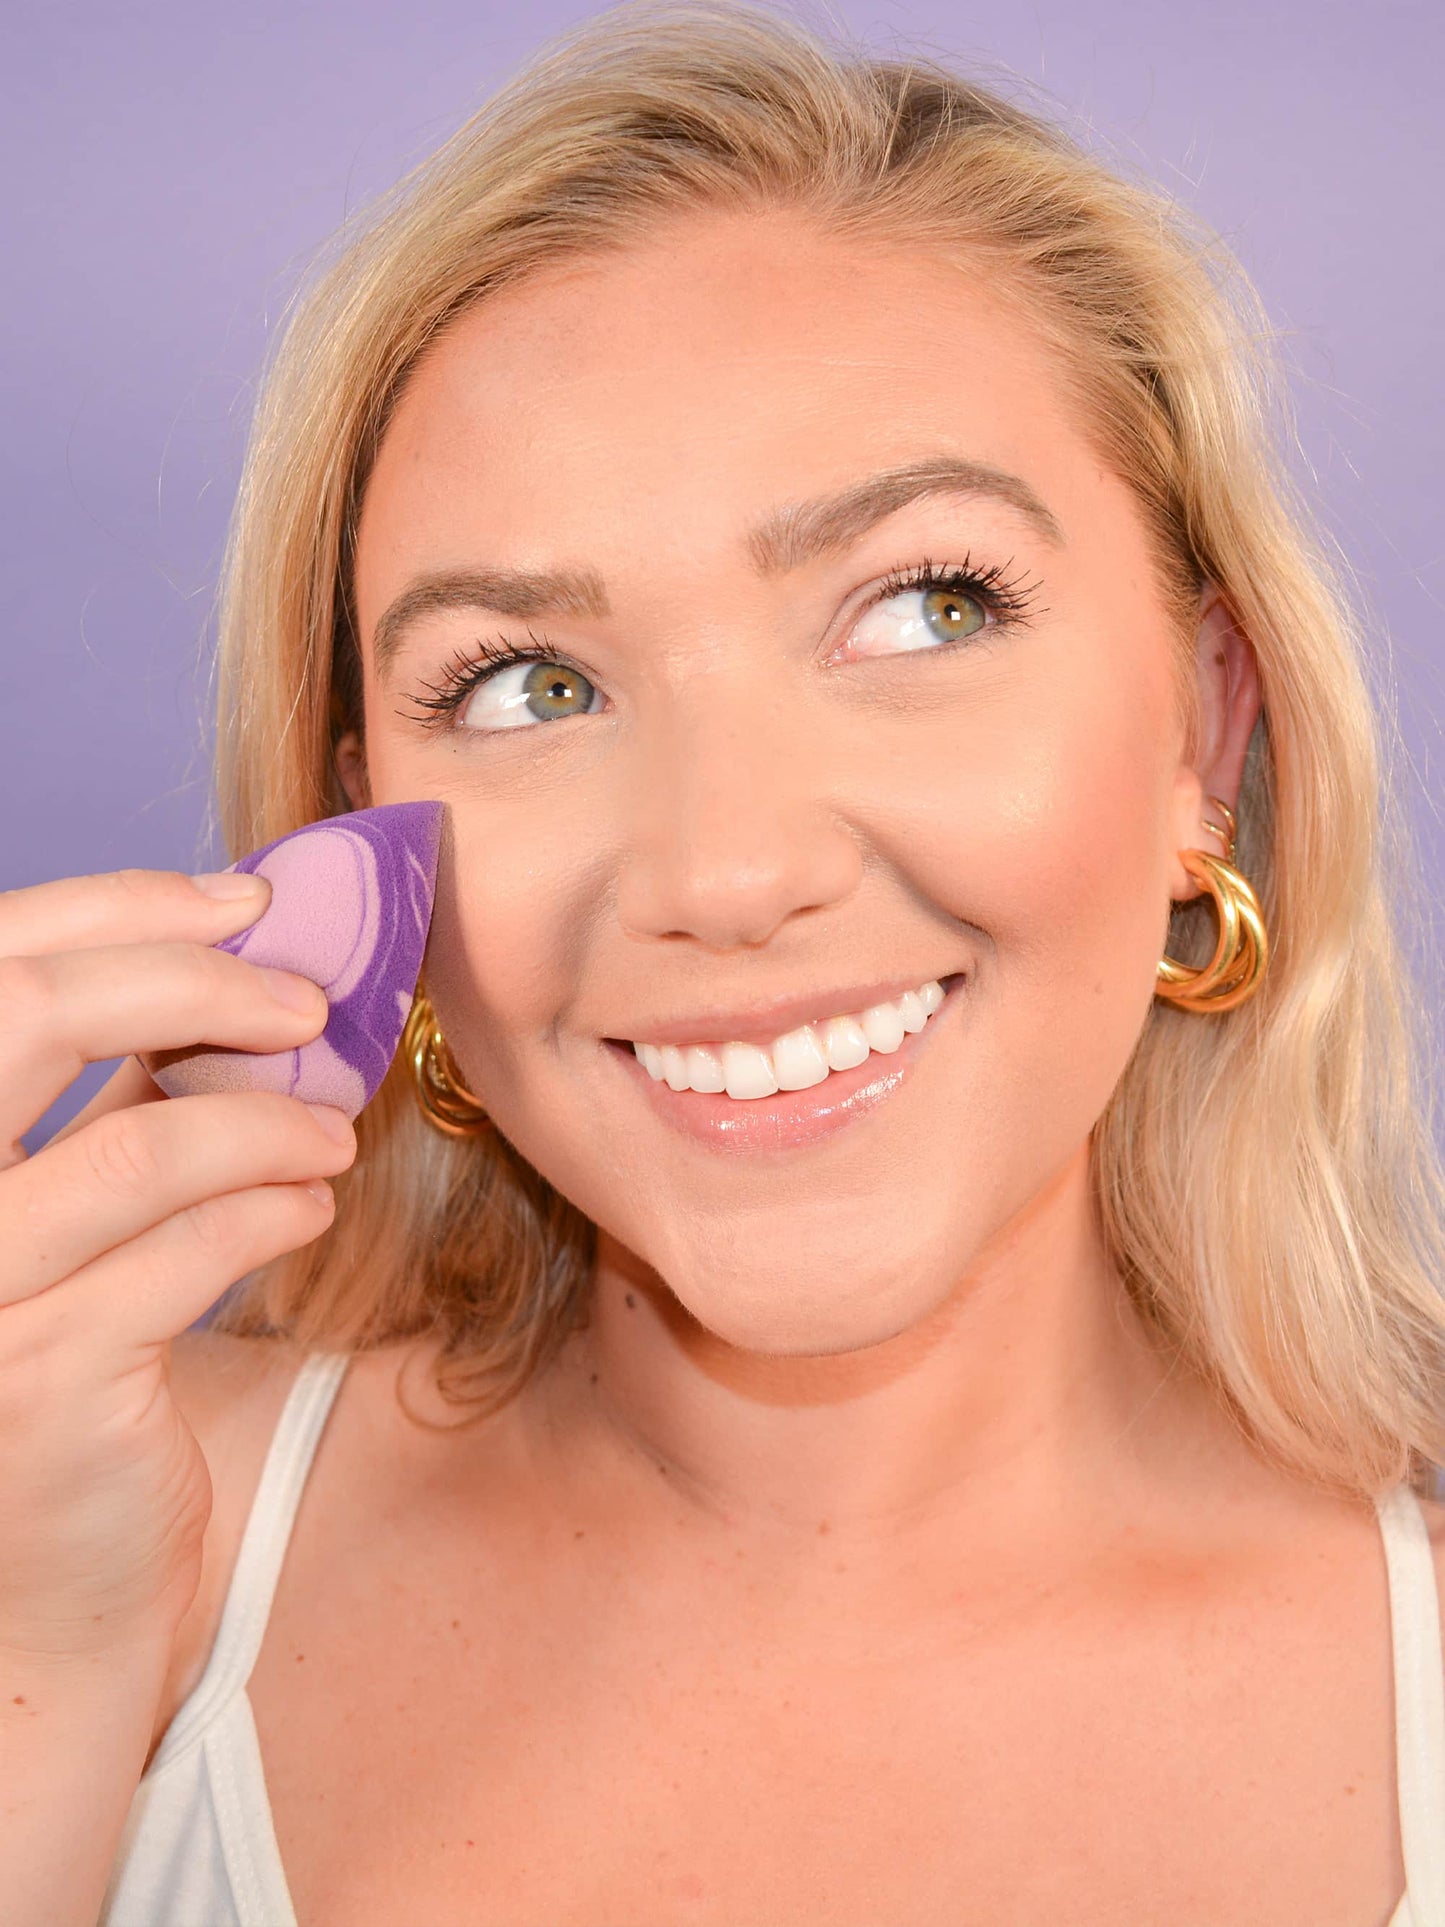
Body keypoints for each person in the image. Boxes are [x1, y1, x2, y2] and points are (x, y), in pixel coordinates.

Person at [5, 2, 1444, 1920]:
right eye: (528, 685)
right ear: (371, 851)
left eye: (925, 608)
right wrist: (44, 1668)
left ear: (1205, 725)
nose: (727, 872)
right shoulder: (96, 1551)